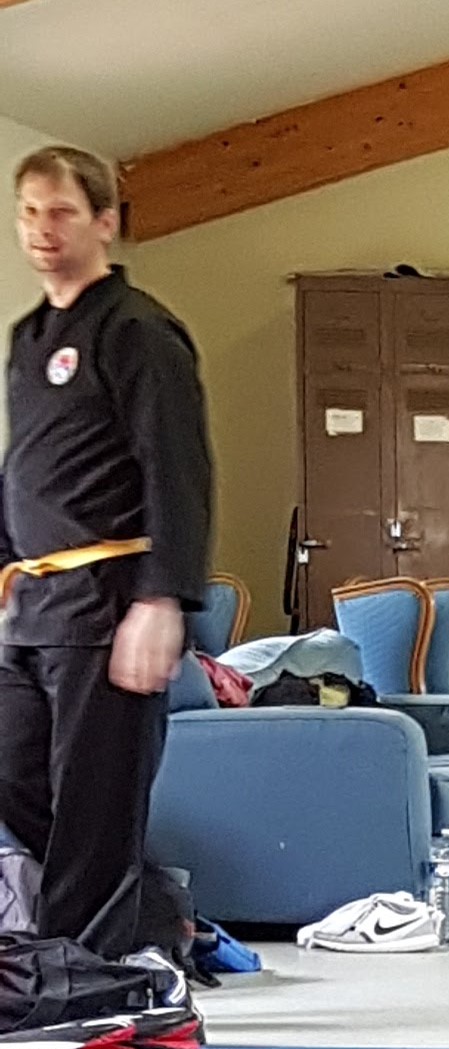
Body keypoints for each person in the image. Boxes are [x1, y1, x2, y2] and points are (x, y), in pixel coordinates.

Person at [0, 147, 212, 972]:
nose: (41, 230)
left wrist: (161, 601)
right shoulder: (28, 339)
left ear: (104, 223)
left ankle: (77, 975)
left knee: (95, 801)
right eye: (28, 212)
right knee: (16, 770)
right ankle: (155, 917)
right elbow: (28, 468)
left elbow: (177, 468)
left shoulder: (138, 331)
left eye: (60, 212)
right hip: (35, 606)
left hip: (111, 601)